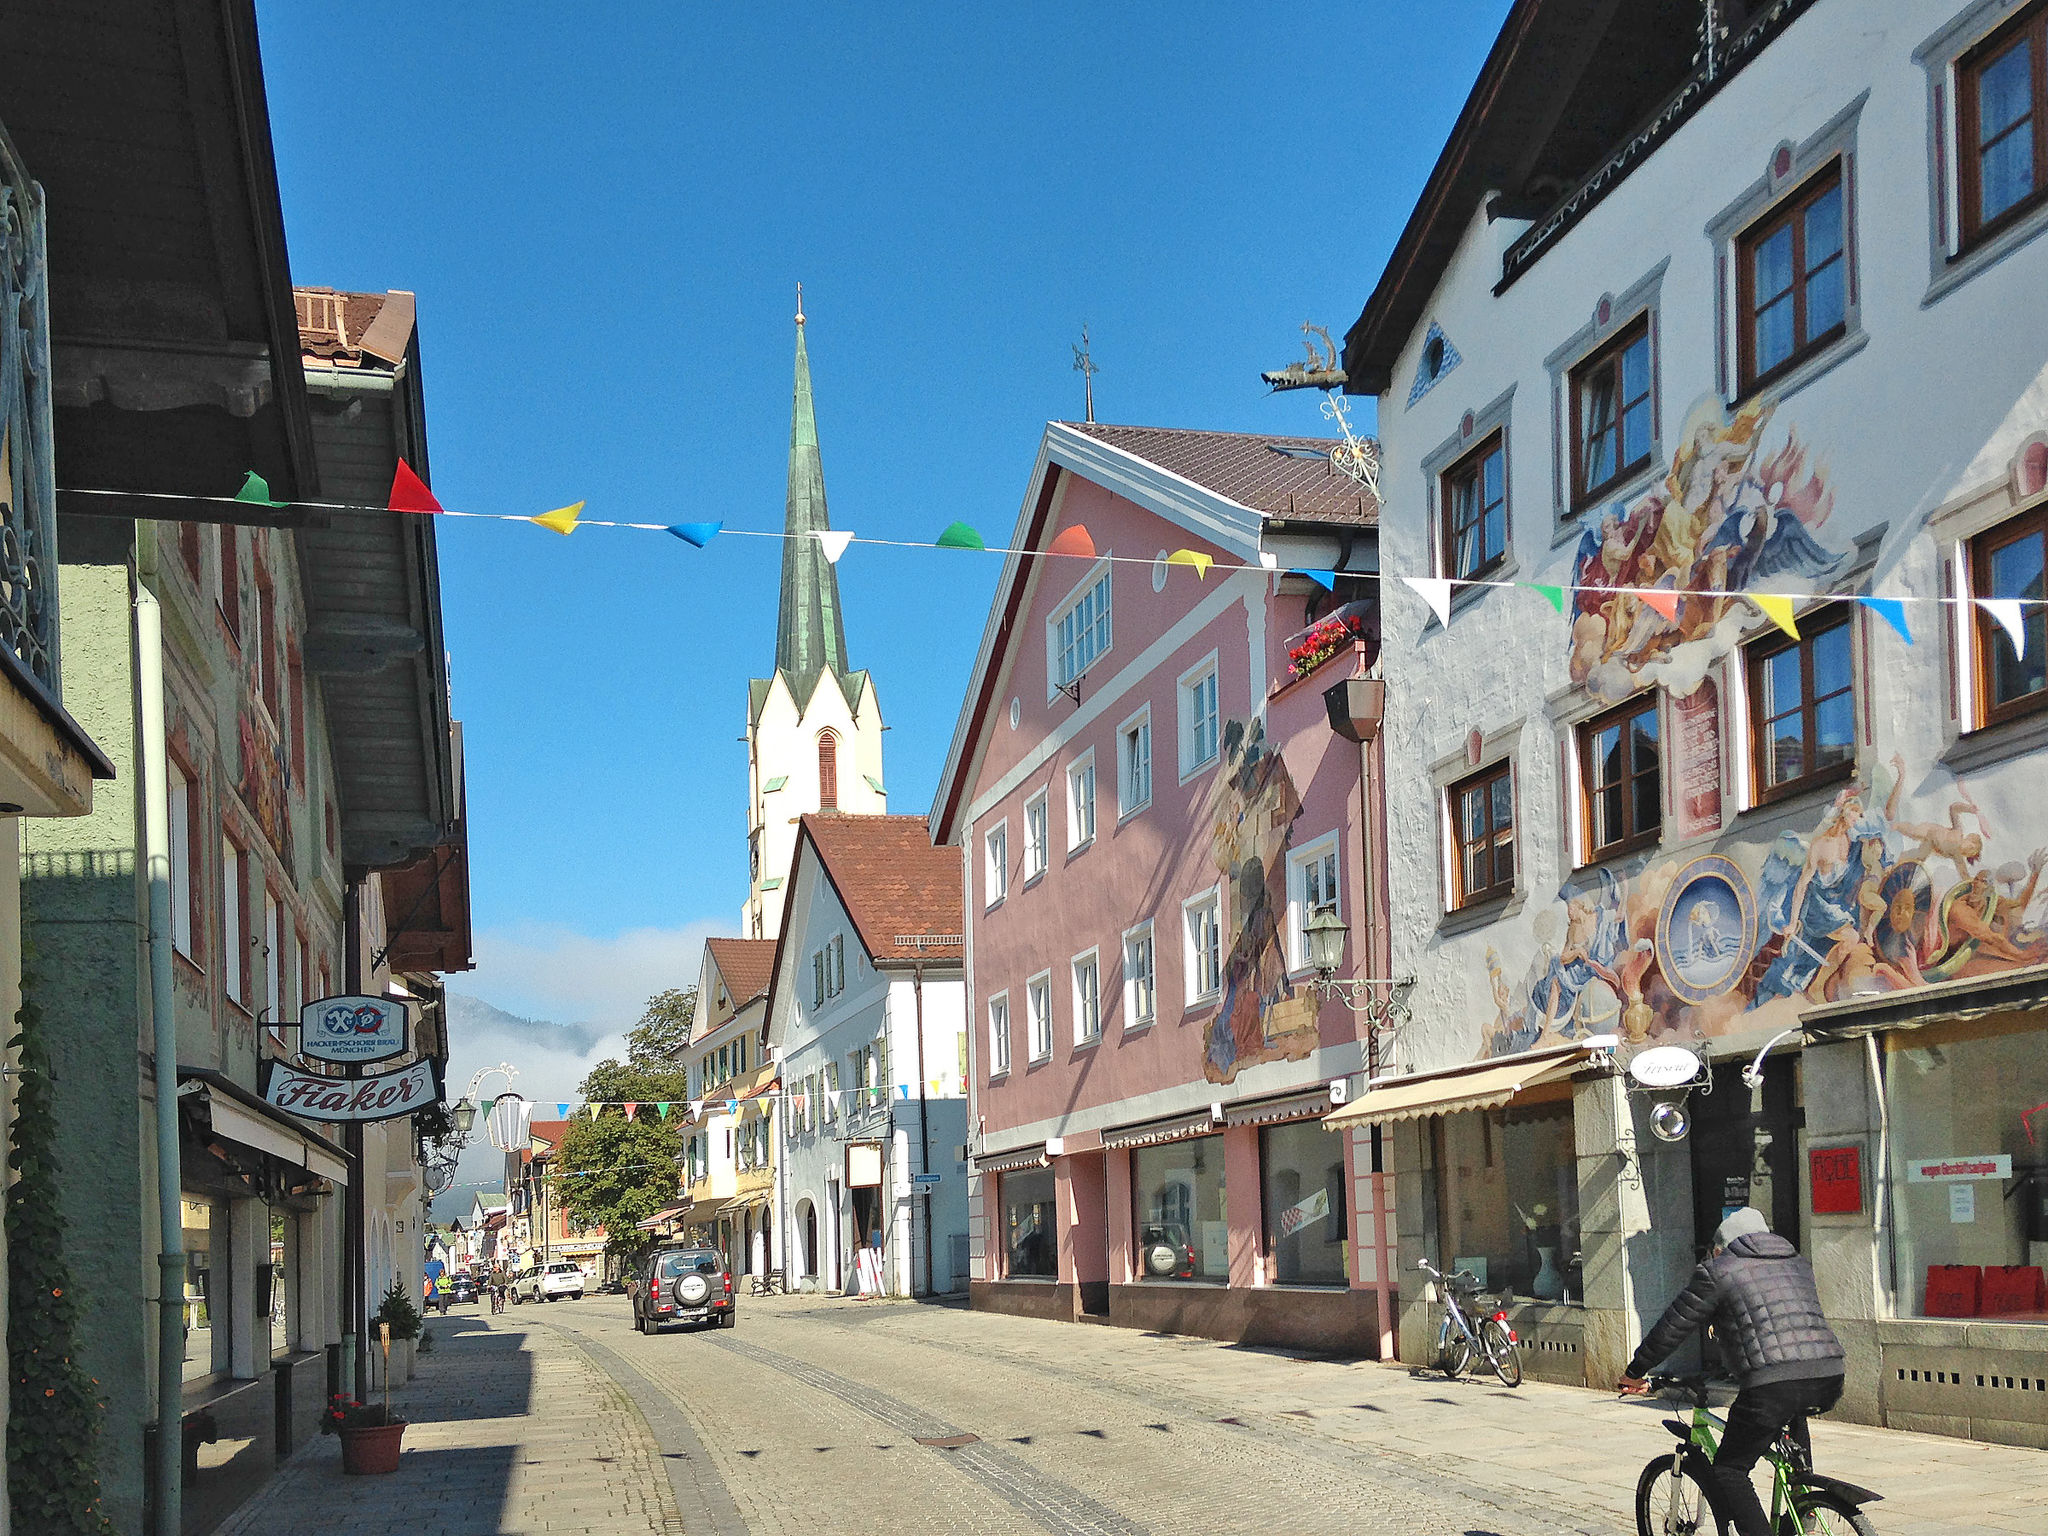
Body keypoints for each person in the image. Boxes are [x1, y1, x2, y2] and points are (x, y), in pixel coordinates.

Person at [1618, 1208, 1845, 1536]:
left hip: (1771, 1382)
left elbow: (1674, 1325)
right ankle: (1802, 1505)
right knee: (1791, 1415)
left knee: (1729, 1470)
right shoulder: (1797, 1263)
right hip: (1828, 1372)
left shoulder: (1720, 1270)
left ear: (1721, 1247)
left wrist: (1636, 1371)